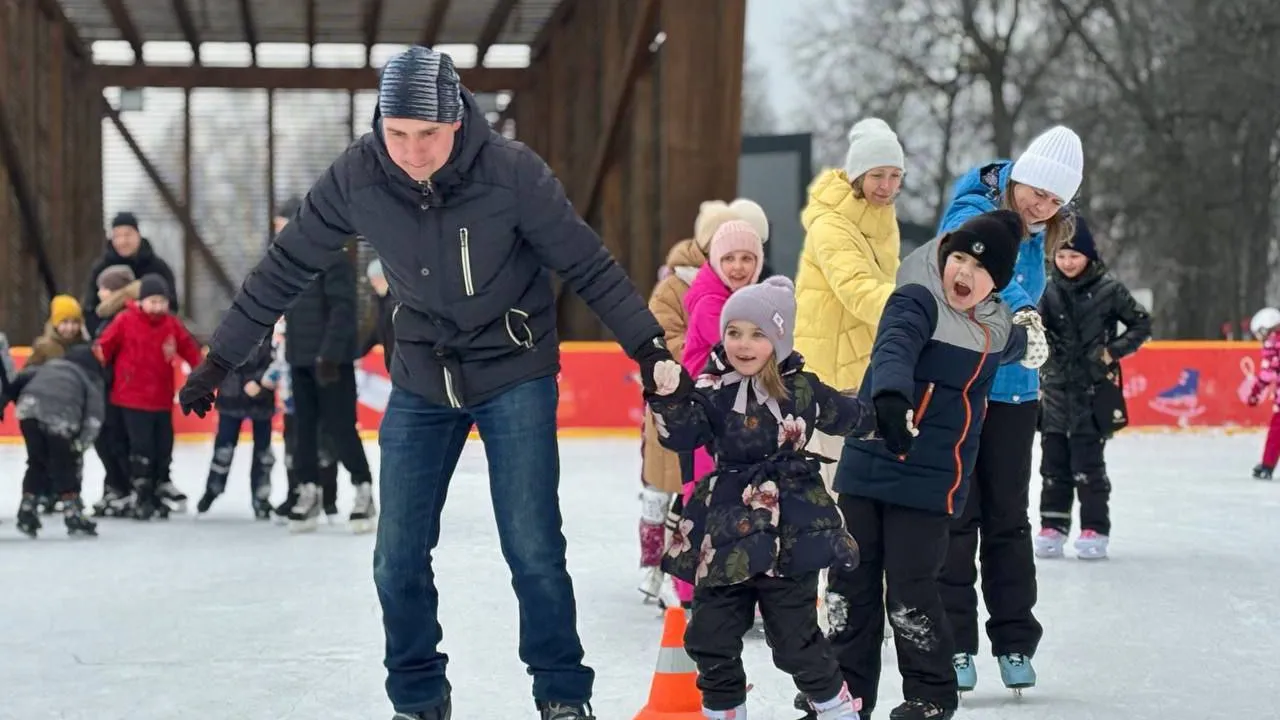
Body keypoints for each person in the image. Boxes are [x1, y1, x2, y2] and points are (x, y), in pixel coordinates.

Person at [176, 45, 683, 720]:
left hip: (513, 367)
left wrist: (649, 348)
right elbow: (284, 266)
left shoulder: (512, 174)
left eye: (428, 135)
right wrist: (222, 358)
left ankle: (562, 693)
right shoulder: (358, 176)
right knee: (397, 555)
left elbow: (587, 265)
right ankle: (418, 698)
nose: (412, 152)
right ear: (380, 124)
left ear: (457, 122)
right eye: (397, 134)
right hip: (422, 372)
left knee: (533, 547)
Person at [831, 211, 1032, 720]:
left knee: (913, 594)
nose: (963, 273)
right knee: (849, 583)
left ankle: (930, 696)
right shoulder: (917, 296)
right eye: (958, 258)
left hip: (932, 482)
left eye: (980, 269)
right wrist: (892, 398)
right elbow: (895, 344)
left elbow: (1006, 343)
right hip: (872, 458)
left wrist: (1030, 341)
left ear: (997, 284)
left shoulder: (993, 325)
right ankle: (842, 695)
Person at [647, 276, 875, 720]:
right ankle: (725, 711)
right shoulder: (711, 388)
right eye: (734, 332)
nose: (743, 344)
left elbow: (850, 415)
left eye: (757, 334)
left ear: (779, 339)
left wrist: (894, 419)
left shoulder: (803, 388)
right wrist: (668, 397)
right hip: (725, 527)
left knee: (794, 642)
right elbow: (682, 436)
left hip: (791, 527)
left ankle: (835, 708)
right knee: (709, 637)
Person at [934, 126, 1073, 693]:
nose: (1041, 204)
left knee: (1010, 519)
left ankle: (1015, 641)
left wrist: (1028, 332)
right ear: (1018, 175)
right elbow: (976, 272)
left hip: (1014, 387)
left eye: (1055, 199)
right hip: (963, 382)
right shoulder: (973, 206)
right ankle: (956, 647)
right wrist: (1022, 314)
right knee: (957, 515)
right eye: (1036, 189)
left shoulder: (1042, 230)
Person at [795, 118, 905, 492]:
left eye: (895, 175)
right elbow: (858, 289)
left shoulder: (880, 219)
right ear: (858, 175)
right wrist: (916, 309)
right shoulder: (832, 225)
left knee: (855, 489)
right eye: (877, 175)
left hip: (861, 366)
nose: (887, 186)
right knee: (829, 489)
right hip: (830, 373)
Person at [1034, 218, 1151, 560]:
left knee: (1089, 466)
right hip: (1054, 390)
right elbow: (1032, 327)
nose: (1067, 262)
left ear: (1088, 256)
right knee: (1053, 466)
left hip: (1091, 391)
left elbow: (1141, 323)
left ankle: (1094, 528)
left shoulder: (1108, 289)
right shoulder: (1046, 289)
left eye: (1074, 256)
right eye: (1061, 256)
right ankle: (1052, 525)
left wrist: (1112, 351)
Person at [95, 274, 203, 520]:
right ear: (141, 302)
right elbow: (104, 347)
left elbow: (189, 348)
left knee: (163, 446)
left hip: (161, 398)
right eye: (152, 301)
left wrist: (202, 373)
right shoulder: (125, 320)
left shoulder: (171, 324)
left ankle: (156, 488)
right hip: (130, 398)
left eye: (161, 302)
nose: (157, 307)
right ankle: (140, 491)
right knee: (140, 447)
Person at [5, 345, 105, 538]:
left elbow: (18, 381)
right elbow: (94, 419)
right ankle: (72, 511)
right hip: (61, 416)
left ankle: (27, 507)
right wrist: (80, 445)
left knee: (36, 462)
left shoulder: (47, 367)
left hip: (29, 411)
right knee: (65, 464)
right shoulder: (89, 382)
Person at [195, 337, 277, 519]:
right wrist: (246, 381)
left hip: (262, 397)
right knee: (224, 448)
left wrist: (260, 381)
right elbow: (222, 356)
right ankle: (212, 490)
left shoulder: (273, 323)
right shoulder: (233, 321)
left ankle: (261, 497)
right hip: (232, 395)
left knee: (263, 453)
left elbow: (277, 358)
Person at [89, 265, 142, 517]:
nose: (99, 293)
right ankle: (115, 484)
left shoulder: (123, 316)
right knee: (106, 440)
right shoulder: (110, 315)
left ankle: (124, 486)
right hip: (109, 388)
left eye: (104, 288)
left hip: (118, 389)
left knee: (116, 441)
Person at [82, 212, 180, 336]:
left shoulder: (158, 268)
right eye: (117, 236)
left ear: (138, 235)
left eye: (128, 235)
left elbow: (171, 306)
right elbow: (90, 309)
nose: (123, 241)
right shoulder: (100, 269)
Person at [1247, 307, 1280, 480]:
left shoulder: (1273, 343)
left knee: (1277, 430)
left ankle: (1267, 465)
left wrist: (1255, 393)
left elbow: (1268, 375)